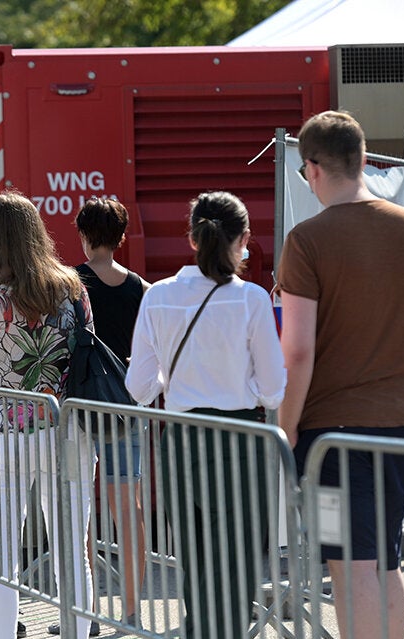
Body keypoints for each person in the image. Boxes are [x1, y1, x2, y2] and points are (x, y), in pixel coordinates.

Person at [277, 111, 404, 639]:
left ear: (312, 167)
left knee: (348, 567)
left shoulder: (307, 240)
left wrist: (287, 426)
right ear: (364, 159)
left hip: (333, 438)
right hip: (401, 424)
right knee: (386, 561)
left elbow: (298, 351)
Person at [125, 191, 285, 639]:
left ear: (192, 238)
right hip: (239, 437)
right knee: (236, 566)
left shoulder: (157, 296)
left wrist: (174, 381)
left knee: (193, 561)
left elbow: (139, 387)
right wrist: (241, 387)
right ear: (244, 238)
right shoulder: (251, 299)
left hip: (180, 437)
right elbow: (273, 389)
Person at [0, 192, 96, 639]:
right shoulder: (71, 286)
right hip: (65, 428)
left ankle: (0, 634)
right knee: (72, 543)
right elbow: (85, 355)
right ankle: (78, 630)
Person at [62, 196, 147, 634]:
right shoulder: (141, 288)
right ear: (121, 236)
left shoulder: (69, 283)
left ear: (82, 234)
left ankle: (83, 612)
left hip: (78, 405)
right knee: (125, 505)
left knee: (78, 508)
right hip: (125, 404)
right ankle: (130, 613)